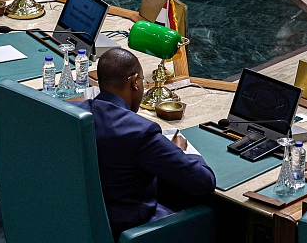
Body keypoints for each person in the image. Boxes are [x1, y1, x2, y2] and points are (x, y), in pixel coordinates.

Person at [80, 48, 216, 238]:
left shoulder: (77, 115)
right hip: (129, 227)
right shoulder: (140, 132)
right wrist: (182, 152)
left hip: (84, 222)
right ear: (135, 82)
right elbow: (204, 182)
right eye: (143, 81)